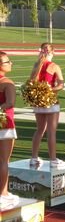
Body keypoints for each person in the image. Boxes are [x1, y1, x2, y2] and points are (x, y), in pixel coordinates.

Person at [30, 43, 65, 169]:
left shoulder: (36, 65)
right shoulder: (54, 66)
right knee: (51, 131)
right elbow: (61, 85)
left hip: (38, 101)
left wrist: (40, 93)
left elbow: (30, 82)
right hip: (50, 101)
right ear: (53, 52)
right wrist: (50, 90)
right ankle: (53, 159)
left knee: (39, 130)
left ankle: (34, 158)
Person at [0, 52, 20, 206]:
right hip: (5, 124)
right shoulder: (7, 83)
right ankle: (3, 193)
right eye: (7, 61)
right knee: (4, 160)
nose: (10, 63)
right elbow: (10, 103)